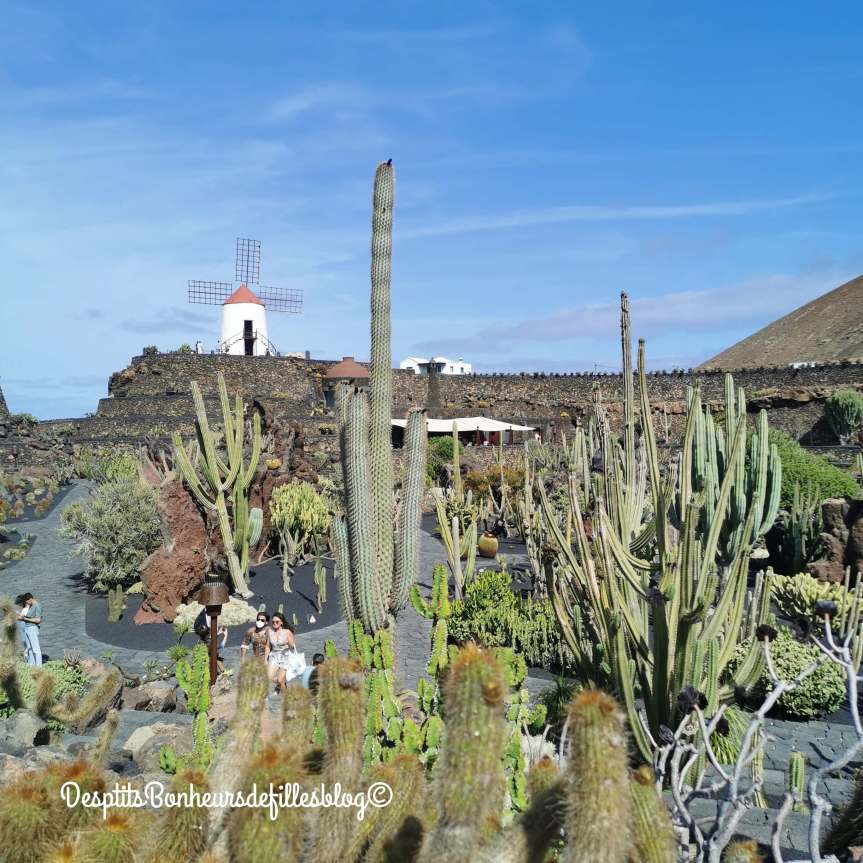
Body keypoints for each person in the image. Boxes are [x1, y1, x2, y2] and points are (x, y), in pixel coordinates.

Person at [264, 613, 296, 692]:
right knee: (269, 677)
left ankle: (286, 696)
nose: (274, 623)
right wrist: (265, 659)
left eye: (277, 622)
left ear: (281, 622)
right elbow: (268, 646)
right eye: (273, 622)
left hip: (285, 656)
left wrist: (287, 643)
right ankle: (282, 684)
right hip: (274, 656)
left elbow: (293, 646)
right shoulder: (270, 631)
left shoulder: (287, 632)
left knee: (279, 680)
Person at [17, 593, 42, 667]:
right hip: (27, 628)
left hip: (32, 628)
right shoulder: (31, 606)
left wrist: (24, 618)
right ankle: (32, 666)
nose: (26, 603)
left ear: (30, 599)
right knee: (30, 649)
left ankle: (39, 667)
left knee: (36, 649)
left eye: (26, 602)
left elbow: (38, 620)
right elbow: (29, 617)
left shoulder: (38, 606)